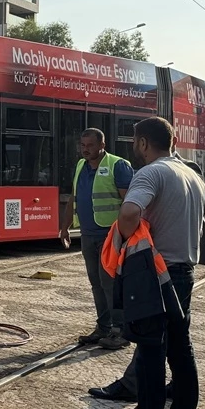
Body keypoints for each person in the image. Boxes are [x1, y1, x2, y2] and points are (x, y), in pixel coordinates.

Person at [96, 116, 205, 409]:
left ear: (143, 142)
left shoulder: (151, 172)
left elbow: (129, 212)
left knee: (150, 348)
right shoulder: (191, 174)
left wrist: (130, 240)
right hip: (184, 271)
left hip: (155, 272)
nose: (134, 148)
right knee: (180, 350)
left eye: (135, 142)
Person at [60, 128, 133, 350]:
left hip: (111, 235)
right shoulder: (81, 166)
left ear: (102, 145)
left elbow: (130, 201)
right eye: (82, 145)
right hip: (88, 235)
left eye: (90, 145)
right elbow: (74, 198)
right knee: (96, 283)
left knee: (109, 282)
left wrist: (127, 235)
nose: (85, 149)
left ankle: (120, 330)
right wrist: (65, 228)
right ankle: (103, 326)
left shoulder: (118, 165)